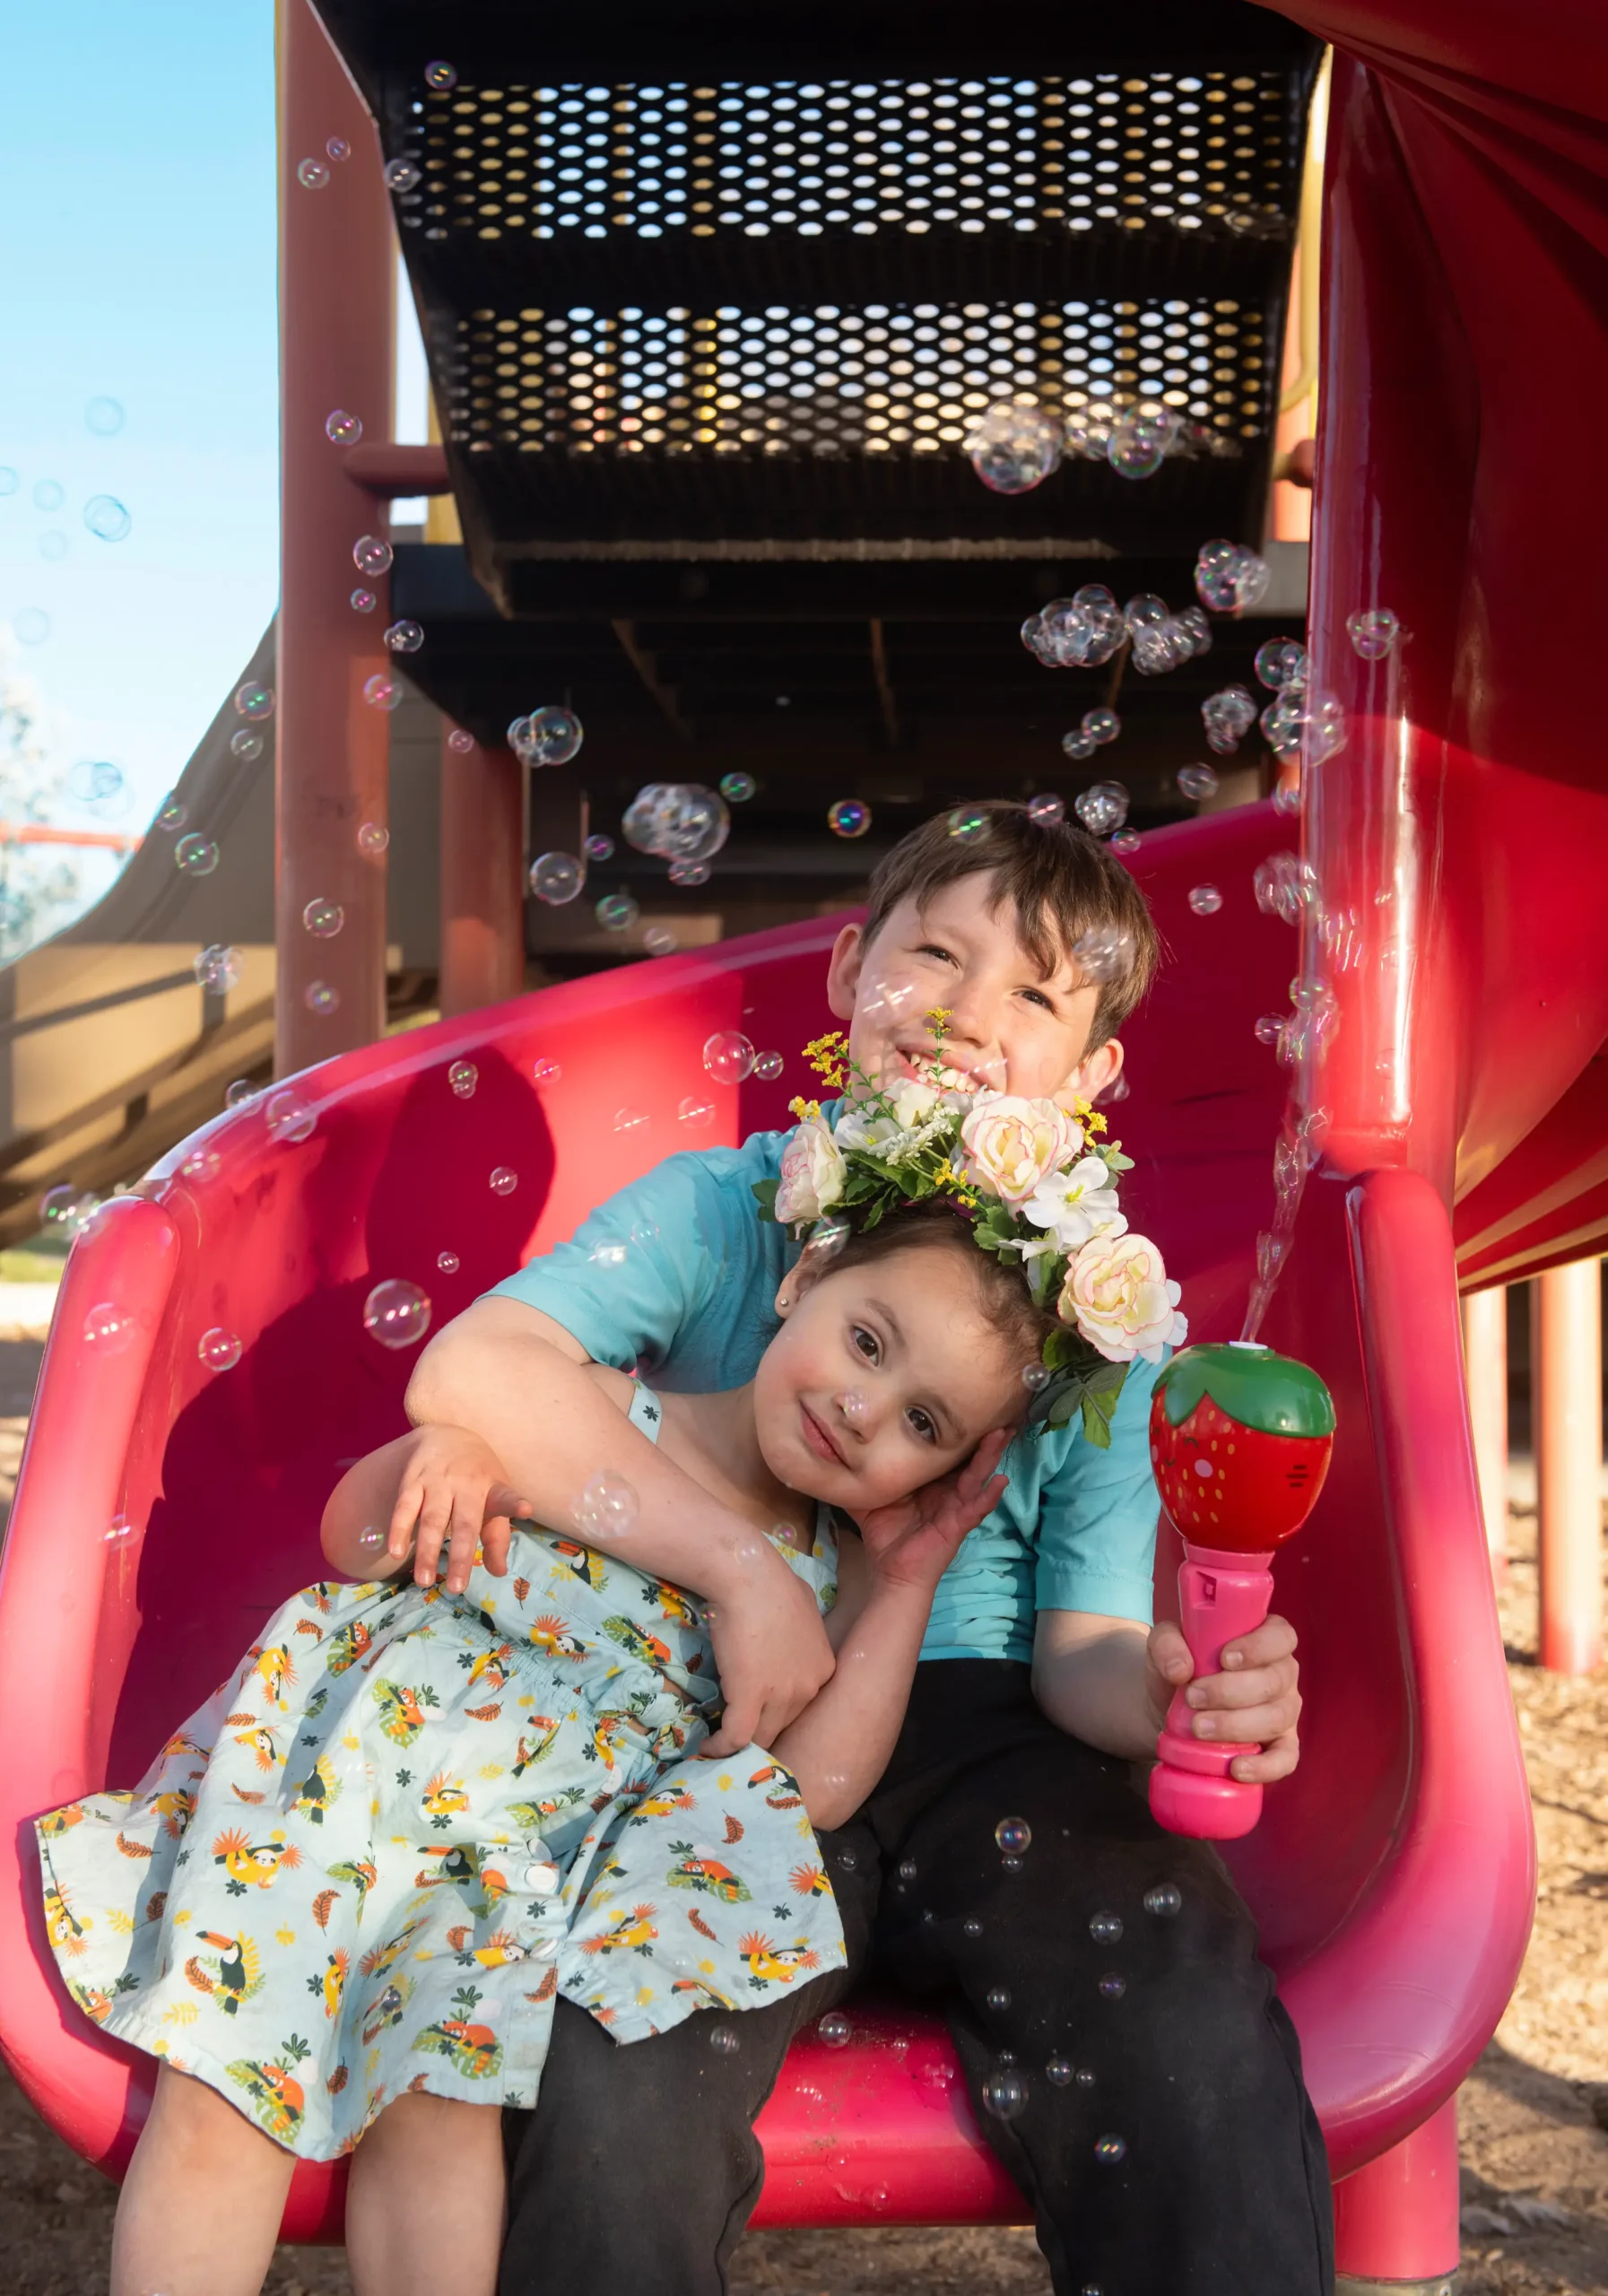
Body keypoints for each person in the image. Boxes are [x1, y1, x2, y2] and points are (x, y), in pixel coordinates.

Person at [408, 801, 1329, 2296]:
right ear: (848, 974)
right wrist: (746, 1567)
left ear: (1093, 1075)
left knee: (1178, 2012)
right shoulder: (726, 1212)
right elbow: (472, 1374)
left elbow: (1082, 1653)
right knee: (618, 2048)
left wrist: (1173, 1699)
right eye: (936, 957)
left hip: (998, 1739)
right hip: (722, 1720)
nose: (969, 1015)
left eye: (1033, 991)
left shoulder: (1099, 1333)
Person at [36, 1090, 1168, 2296]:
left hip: (504, 1874)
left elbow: (809, 1792)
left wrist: (906, 1582)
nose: (861, 1408)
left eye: (921, 1421)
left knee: (441, 2116)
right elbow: (353, 1537)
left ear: (944, 1467)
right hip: (334, 1796)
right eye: (869, 1343)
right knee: (225, 2092)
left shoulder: (826, 1579)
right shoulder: (582, 1410)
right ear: (806, 1278)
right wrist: (441, 1460)